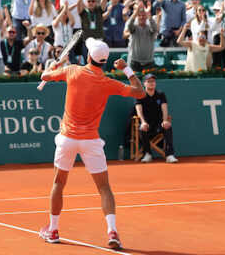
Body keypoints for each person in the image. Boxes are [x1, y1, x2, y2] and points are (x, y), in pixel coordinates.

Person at [38, 37, 146, 249]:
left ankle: (53, 229)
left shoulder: (72, 71)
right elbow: (140, 92)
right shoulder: (107, 82)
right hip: (91, 141)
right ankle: (112, 231)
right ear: (103, 62)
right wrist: (126, 70)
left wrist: (54, 67)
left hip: (67, 139)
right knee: (104, 187)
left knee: (58, 183)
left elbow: (44, 76)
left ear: (88, 57)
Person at [136, 74, 178, 163]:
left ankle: (170, 155)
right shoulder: (140, 94)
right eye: (149, 81)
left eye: (153, 81)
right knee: (143, 128)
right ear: (144, 83)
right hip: (146, 123)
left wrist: (165, 120)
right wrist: (143, 122)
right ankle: (147, 154)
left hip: (158, 123)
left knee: (168, 127)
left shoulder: (160, 94)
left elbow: (165, 109)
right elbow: (139, 111)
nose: (151, 83)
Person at [126, 4, 158, 71]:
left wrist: (149, 15)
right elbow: (129, 24)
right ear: (137, 17)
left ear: (146, 17)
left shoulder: (150, 28)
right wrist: (136, 11)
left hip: (149, 61)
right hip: (135, 61)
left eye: (143, 15)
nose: (141, 17)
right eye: (139, 15)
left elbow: (155, 28)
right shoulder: (134, 28)